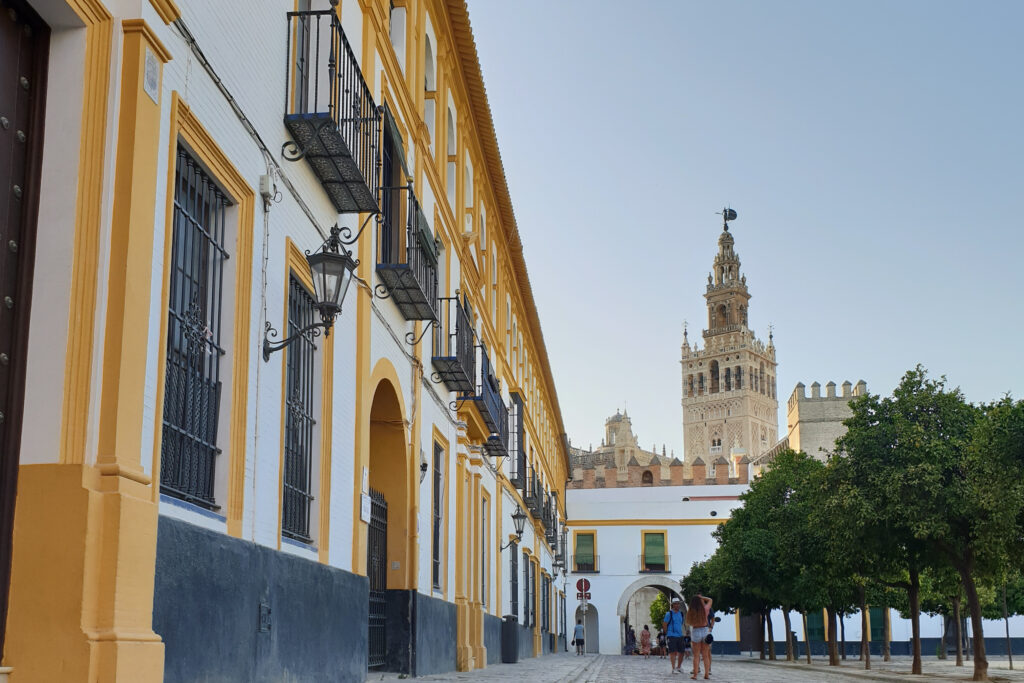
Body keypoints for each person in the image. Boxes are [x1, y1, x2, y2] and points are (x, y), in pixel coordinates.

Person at [686, 594, 713, 680]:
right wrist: (702, 598)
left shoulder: (691, 611)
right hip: (705, 631)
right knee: (705, 655)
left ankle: (695, 675)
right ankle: (706, 674)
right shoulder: (705, 609)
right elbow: (710, 600)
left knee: (696, 655)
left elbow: (690, 623)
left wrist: (697, 598)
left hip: (696, 631)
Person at [662, 597, 686, 674]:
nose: (677, 605)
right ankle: (673, 668)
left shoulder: (681, 613)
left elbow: (681, 623)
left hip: (680, 635)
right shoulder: (669, 614)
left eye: (678, 603)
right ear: (672, 605)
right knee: (673, 652)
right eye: (675, 604)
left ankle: (679, 667)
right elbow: (665, 624)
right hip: (671, 635)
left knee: (682, 652)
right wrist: (667, 633)